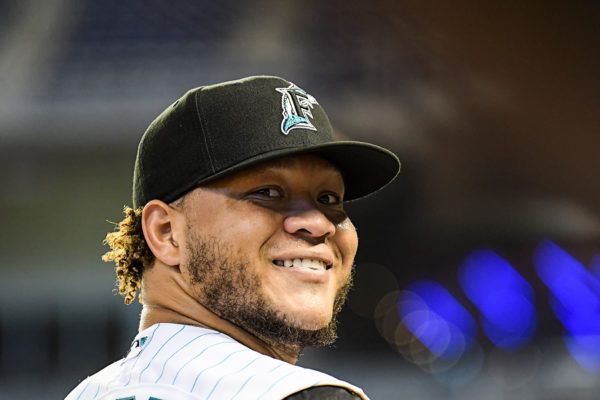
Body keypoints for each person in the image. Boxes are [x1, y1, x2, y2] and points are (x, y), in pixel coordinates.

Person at [65, 76, 400, 400]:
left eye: (329, 199)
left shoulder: (86, 395)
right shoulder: (298, 395)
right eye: (268, 192)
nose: (318, 223)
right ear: (166, 233)